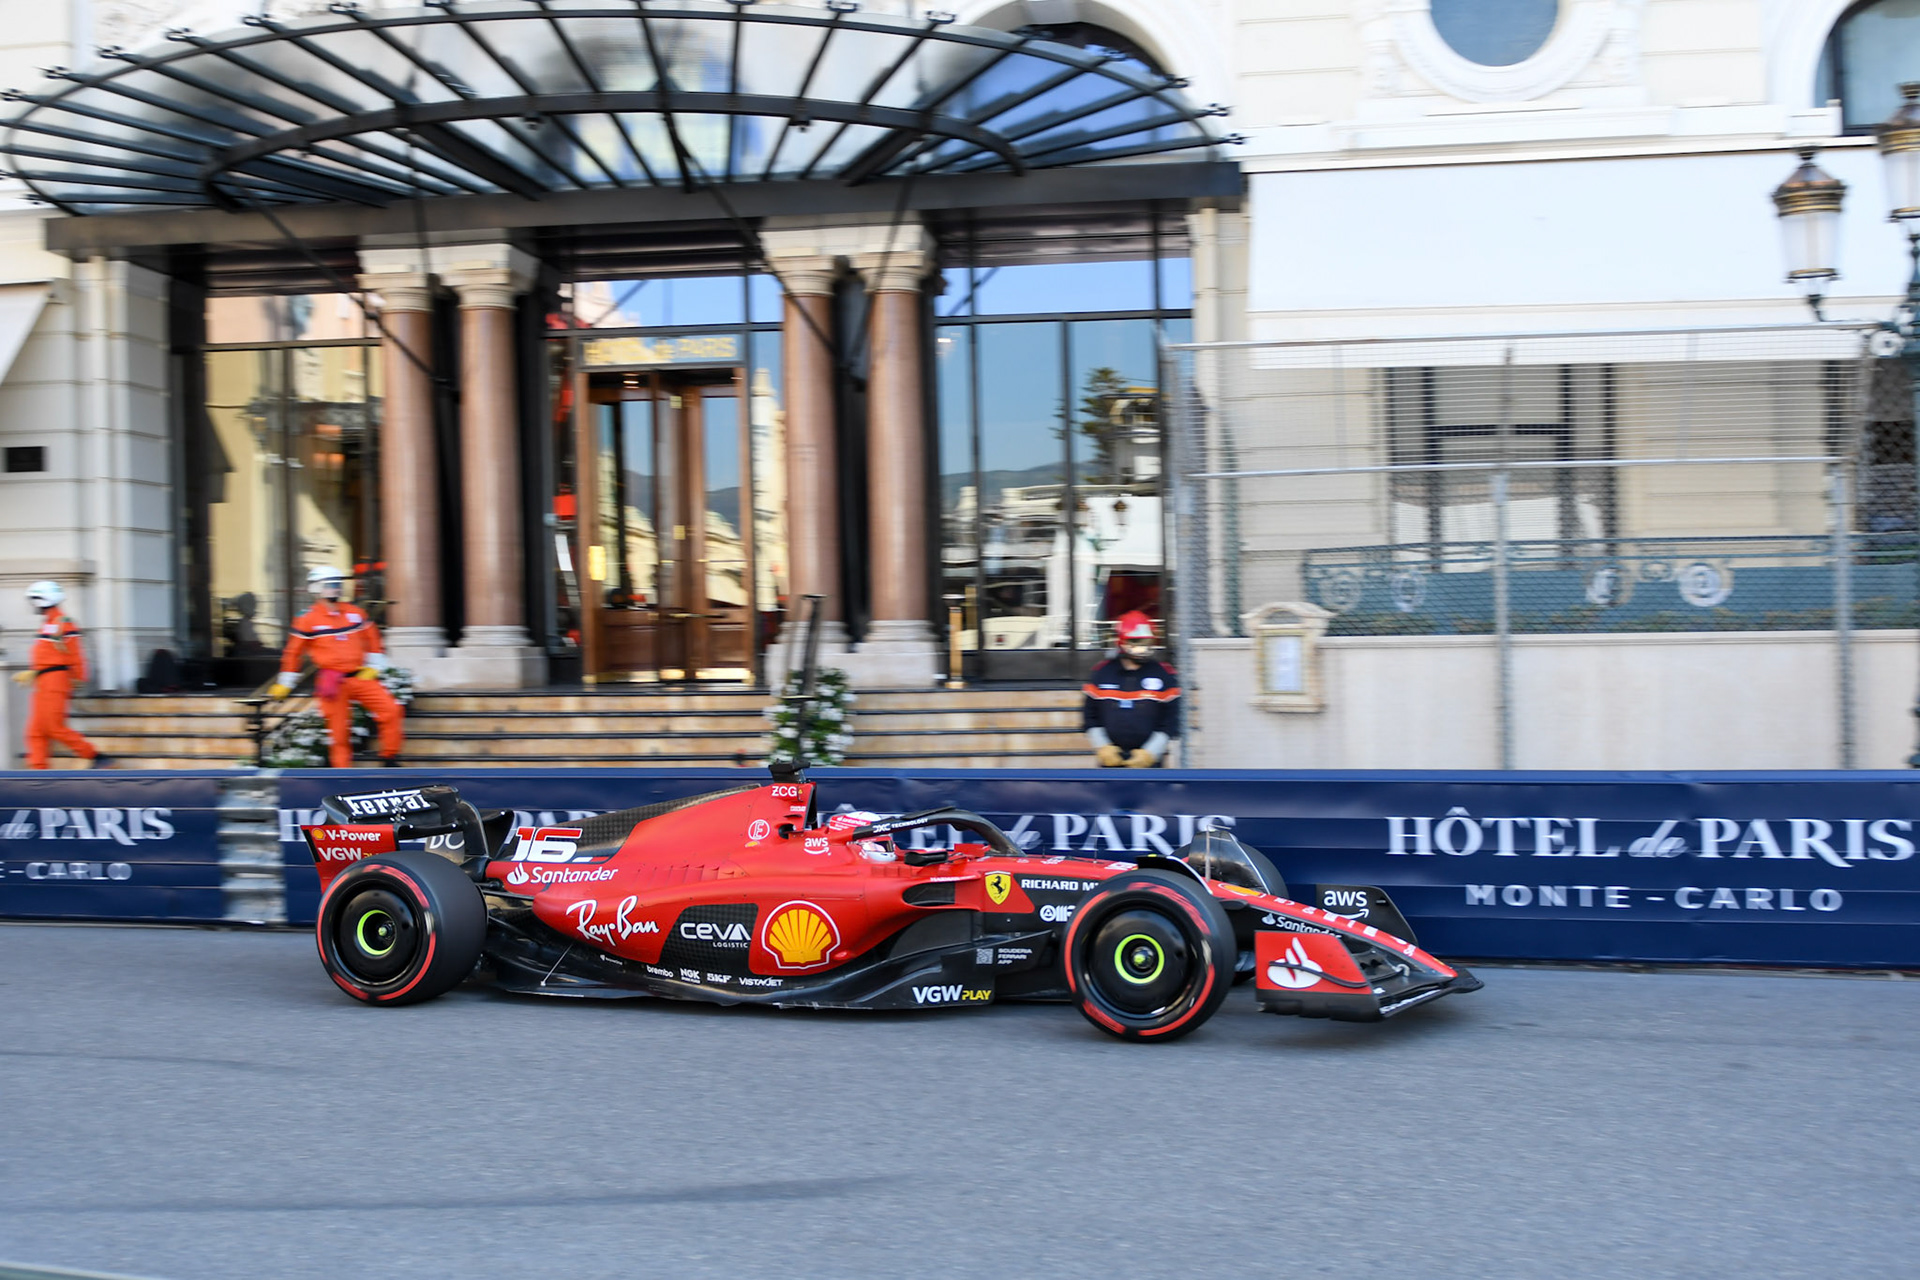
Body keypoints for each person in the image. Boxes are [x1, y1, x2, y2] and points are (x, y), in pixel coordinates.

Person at [270, 566, 404, 768]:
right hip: (332, 682)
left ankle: (389, 758)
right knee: (339, 731)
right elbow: (293, 653)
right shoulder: (306, 619)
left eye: (338, 584)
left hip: (361, 676)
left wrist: (375, 665)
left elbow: (372, 638)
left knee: (391, 710)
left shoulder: (355, 612)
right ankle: (342, 772)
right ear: (316, 588)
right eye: (332, 584)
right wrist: (285, 683)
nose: (337, 588)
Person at [15, 581, 103, 769]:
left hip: (55, 682)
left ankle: (96, 757)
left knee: (53, 727)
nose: (32, 604)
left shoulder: (63, 623)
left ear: (43, 600)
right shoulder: (49, 624)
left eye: (34, 600)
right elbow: (50, 655)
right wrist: (34, 672)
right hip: (43, 682)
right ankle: (37, 772)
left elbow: (75, 654)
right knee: (35, 731)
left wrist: (79, 678)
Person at [1083, 610, 1181, 768]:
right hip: (1110, 762)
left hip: (1150, 764)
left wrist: (1151, 752)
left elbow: (1171, 719)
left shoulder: (1163, 675)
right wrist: (1102, 746)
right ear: (1122, 642)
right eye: (1137, 642)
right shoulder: (1102, 673)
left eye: (1147, 643)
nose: (1143, 648)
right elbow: (1090, 716)